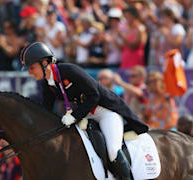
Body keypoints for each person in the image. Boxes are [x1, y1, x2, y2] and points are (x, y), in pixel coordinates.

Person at [20, 42, 148, 180]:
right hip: (86, 116)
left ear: (44, 63)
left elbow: (94, 95)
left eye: (32, 67)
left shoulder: (70, 70)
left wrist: (74, 116)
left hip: (105, 112)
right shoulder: (46, 82)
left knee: (112, 150)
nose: (30, 72)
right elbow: (46, 108)